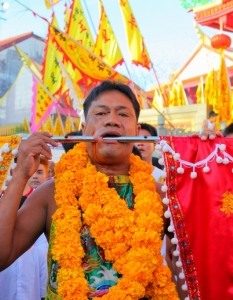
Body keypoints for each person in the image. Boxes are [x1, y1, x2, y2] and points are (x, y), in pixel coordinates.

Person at [0, 81, 182, 299]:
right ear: (84, 129)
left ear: (136, 131)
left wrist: (211, 162)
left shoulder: (161, 195)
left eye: (123, 114)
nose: (112, 120)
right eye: (101, 113)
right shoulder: (52, 192)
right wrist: (20, 175)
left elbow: (188, 269)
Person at [0, 156, 49, 300]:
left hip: (33, 270)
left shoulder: (40, 198)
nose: (34, 176)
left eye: (39, 172)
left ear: (48, 174)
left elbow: (43, 245)